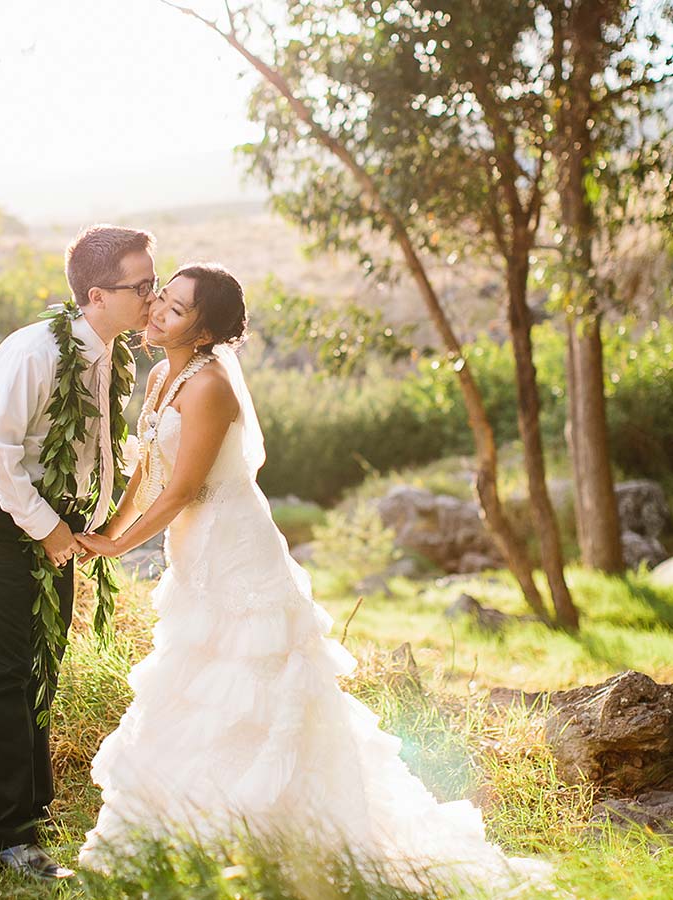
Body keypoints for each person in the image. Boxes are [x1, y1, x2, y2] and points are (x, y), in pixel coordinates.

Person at [74, 263, 554, 896]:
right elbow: (148, 472)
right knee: (195, 680)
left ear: (208, 329)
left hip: (235, 551)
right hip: (194, 553)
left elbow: (187, 486)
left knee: (255, 681)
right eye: (162, 296)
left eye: (178, 307)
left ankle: (279, 839)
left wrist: (115, 546)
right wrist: (112, 523)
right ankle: (188, 835)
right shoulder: (163, 375)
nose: (159, 308)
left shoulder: (211, 386)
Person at [0, 224, 156, 880]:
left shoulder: (104, 351)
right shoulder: (36, 350)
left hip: (56, 528)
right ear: (97, 293)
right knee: (6, 675)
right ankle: (3, 840)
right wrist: (48, 529)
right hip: (7, 523)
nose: (153, 297)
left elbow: (84, 449)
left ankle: (30, 812)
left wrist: (93, 521)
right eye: (143, 286)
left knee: (42, 667)